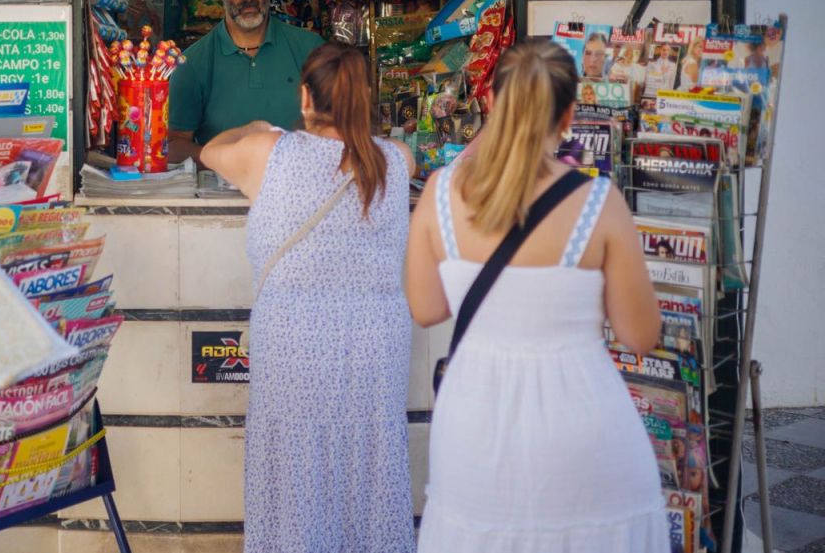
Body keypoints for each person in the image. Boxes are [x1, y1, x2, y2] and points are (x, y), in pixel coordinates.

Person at [405, 41, 666, 552]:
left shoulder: (439, 193)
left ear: (490, 103)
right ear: (568, 115)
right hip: (584, 431)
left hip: (474, 426)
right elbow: (640, 335)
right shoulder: (598, 201)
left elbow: (427, 308)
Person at [201, 42, 416, 553]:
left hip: (294, 348)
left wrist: (257, 126)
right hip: (375, 351)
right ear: (366, 99)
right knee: (369, 473)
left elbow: (209, 150)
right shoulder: (397, 160)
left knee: (294, 474)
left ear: (304, 97)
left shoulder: (267, 152)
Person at [169, 0, 324, 164]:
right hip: (223, 185)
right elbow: (174, 145)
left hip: (302, 184)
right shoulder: (191, 64)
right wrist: (226, 160)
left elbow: (339, 129)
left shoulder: (310, 49)